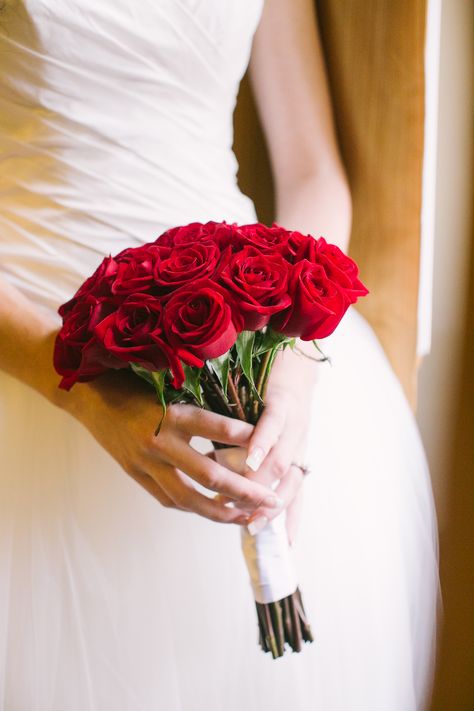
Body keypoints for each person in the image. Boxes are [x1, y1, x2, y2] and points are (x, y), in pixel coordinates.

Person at [0, 1, 440, 709]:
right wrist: (75, 386)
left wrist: (292, 367)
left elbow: (312, 172)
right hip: (30, 342)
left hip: (251, 332)